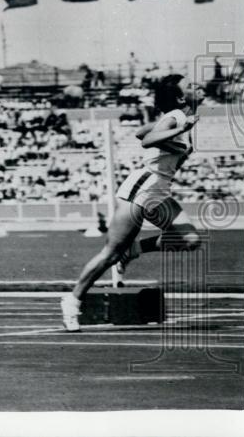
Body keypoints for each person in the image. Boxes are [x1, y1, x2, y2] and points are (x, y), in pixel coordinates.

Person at [61, 75, 203, 332]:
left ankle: (133, 251)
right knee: (109, 254)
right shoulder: (178, 118)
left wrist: (172, 136)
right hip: (143, 187)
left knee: (189, 240)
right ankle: (72, 302)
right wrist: (179, 130)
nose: (199, 86)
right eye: (192, 86)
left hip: (160, 190)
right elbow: (147, 141)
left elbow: (140, 132)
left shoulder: (178, 118)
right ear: (182, 98)